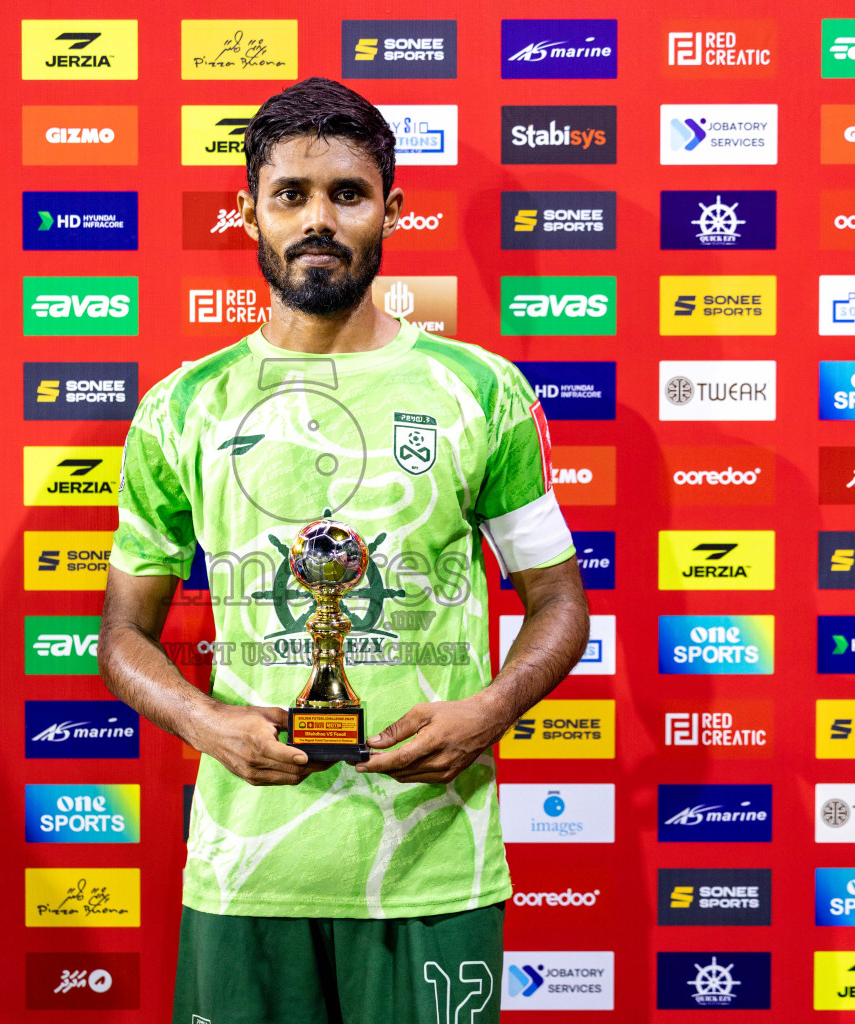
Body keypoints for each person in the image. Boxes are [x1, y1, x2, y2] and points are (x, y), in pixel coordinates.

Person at [98, 76, 590, 1024]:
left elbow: (560, 602)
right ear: (246, 212)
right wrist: (202, 722)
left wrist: (488, 710)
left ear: (392, 211)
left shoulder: (479, 391)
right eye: (291, 194)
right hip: (248, 868)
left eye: (347, 194)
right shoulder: (184, 405)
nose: (317, 219)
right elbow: (125, 633)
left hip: (430, 869)